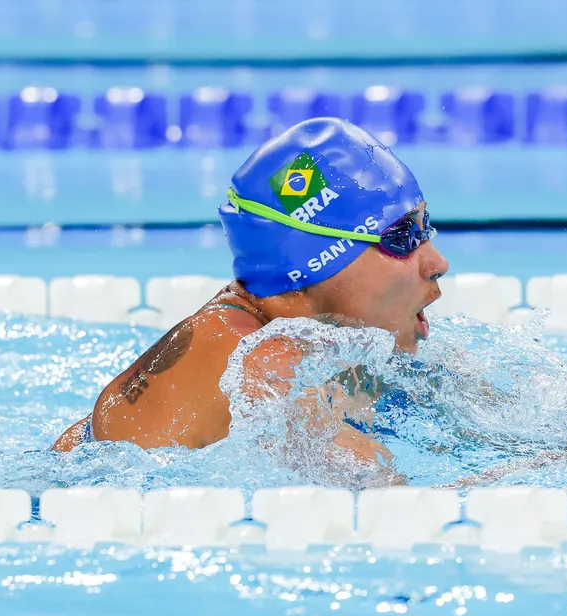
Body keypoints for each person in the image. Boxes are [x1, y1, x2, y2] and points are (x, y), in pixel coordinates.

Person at [53, 117, 446, 468]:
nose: (437, 262)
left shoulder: (289, 331)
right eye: (402, 237)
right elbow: (381, 492)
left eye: (424, 225)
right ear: (316, 261)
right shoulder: (262, 361)